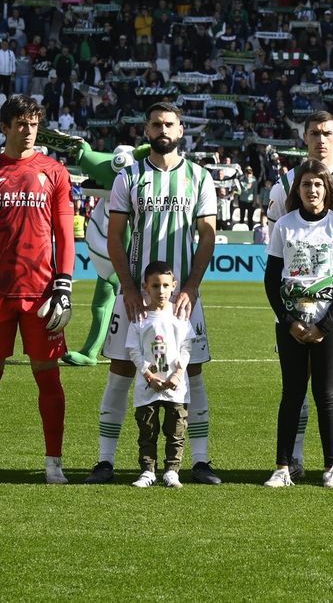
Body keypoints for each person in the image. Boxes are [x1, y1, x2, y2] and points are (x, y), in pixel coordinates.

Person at [87, 103, 220, 486]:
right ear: (146, 131)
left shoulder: (199, 177)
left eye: (170, 124)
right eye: (156, 124)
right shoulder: (129, 177)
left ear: (181, 130)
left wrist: (191, 287)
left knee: (192, 374)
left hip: (182, 299)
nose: (163, 130)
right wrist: (127, 286)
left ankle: (199, 461)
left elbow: (207, 236)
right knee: (120, 372)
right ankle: (104, 461)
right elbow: (114, 237)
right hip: (135, 297)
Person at [0, 95, 76, 484]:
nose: (28, 132)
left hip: (42, 294)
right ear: (4, 127)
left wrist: (65, 283)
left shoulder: (54, 172)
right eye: (20, 124)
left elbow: (64, 231)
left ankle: (53, 462)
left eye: (34, 124)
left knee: (48, 377)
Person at [265, 111, 333, 481]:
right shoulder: (283, 185)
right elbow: (277, 253)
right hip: (294, 302)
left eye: (327, 133)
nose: (321, 139)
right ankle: (293, 459)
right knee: (296, 381)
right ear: (304, 137)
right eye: (314, 133)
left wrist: (330, 287)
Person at [36, 131, 148, 367]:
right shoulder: (106, 205)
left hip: (120, 269)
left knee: (129, 309)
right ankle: (90, 351)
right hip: (105, 268)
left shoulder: (127, 209)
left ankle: (145, 350)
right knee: (99, 307)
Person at [128, 261, 191, 489]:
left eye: (165, 285)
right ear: (146, 287)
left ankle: (172, 471)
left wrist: (177, 374)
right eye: (155, 286)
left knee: (176, 430)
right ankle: (147, 471)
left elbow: (186, 347)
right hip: (149, 386)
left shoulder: (180, 317)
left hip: (176, 385)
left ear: (174, 285)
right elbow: (134, 350)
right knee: (147, 430)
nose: (161, 291)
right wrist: (148, 375)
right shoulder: (140, 318)